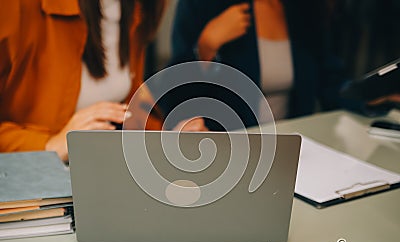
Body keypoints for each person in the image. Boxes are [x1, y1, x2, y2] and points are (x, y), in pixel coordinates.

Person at [0, 0, 206, 161]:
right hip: (31, 192)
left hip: (95, 171)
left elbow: (124, 108)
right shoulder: (15, 7)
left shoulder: (138, 8)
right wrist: (49, 145)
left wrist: (165, 138)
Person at [162, 0, 345, 130]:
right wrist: (206, 45)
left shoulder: (305, 9)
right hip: (226, 151)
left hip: (294, 149)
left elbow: (331, 82)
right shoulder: (202, 5)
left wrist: (366, 98)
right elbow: (175, 97)